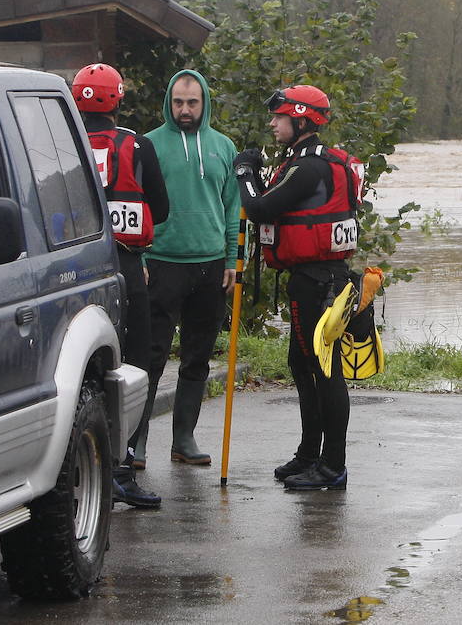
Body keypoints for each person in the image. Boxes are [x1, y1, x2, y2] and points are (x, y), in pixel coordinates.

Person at [233, 86, 361, 491]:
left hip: (320, 282)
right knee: (302, 366)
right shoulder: (302, 162)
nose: (273, 123)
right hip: (312, 280)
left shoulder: (310, 168)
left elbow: (259, 209)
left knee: (324, 370)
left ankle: (332, 465)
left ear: (302, 120)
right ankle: (309, 454)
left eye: (280, 117)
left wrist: (245, 172)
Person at [71, 63, 170, 508]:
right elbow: (162, 210)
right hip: (125, 268)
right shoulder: (138, 145)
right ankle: (123, 466)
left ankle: (82, 466)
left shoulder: (60, 142)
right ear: (119, 101)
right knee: (134, 363)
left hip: (72, 272)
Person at [138, 69, 240, 467]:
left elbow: (233, 206)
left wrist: (232, 258)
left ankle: (184, 438)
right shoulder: (148, 145)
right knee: (150, 357)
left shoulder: (223, 147)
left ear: (204, 103)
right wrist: (141, 256)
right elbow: (137, 205)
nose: (184, 109)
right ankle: (136, 440)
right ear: (169, 102)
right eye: (178, 102)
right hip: (160, 263)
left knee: (197, 356)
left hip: (210, 266)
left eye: (192, 102)